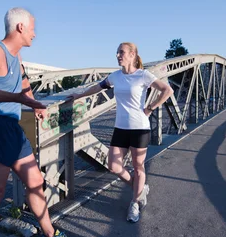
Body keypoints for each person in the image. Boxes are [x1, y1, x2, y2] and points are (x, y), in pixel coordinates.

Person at [0, 7, 81, 237]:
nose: (34, 33)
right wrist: (19, 100)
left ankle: (49, 235)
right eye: (32, 27)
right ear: (20, 27)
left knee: (35, 182)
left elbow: (24, 84)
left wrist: (33, 103)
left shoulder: (16, 57)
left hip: (12, 127)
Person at [68, 42, 173, 222]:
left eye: (121, 52)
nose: (118, 55)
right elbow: (97, 88)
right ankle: (140, 190)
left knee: (138, 168)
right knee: (114, 166)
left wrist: (150, 108)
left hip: (139, 128)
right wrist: (79, 95)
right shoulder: (115, 76)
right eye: (117, 52)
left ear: (132, 55)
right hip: (121, 128)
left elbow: (167, 90)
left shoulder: (143, 75)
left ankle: (135, 203)